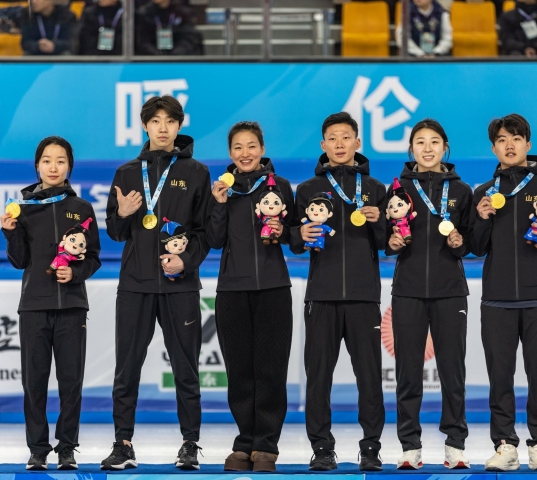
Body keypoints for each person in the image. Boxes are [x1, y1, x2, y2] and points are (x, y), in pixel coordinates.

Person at [101, 95, 211, 470]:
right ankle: (123, 443)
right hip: (135, 284)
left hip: (180, 285)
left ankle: (190, 444)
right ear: (145, 126)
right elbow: (115, 232)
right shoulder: (127, 173)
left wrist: (186, 261)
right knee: (127, 368)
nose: (162, 128)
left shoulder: (196, 172)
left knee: (186, 368)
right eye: (155, 121)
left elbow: (205, 232)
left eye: (170, 121)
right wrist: (122, 214)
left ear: (179, 126)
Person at [469, 113, 537, 471]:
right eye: (502, 140)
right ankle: (504, 445)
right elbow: (476, 247)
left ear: (528, 144)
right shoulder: (484, 193)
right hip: (496, 300)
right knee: (500, 377)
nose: (509, 145)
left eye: (516, 138)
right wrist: (481, 218)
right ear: (494, 148)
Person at [289, 112, 387, 472]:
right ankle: (321, 448)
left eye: (346, 137)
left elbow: (388, 243)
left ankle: (371, 447)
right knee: (318, 378)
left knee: (369, 377)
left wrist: (380, 223)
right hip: (322, 295)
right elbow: (294, 240)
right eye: (332, 138)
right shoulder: (306, 189)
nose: (340, 144)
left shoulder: (376, 189)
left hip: (363, 296)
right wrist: (300, 234)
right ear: (323, 145)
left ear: (358, 143)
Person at [0, 136, 101, 471]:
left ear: (69, 166)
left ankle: (67, 448)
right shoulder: (24, 209)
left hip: (72, 307)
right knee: (34, 382)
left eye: (60, 160)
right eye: (47, 160)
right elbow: (19, 261)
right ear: (37, 166)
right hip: (34, 306)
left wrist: (75, 274)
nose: (53, 167)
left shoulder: (82, 208)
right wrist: (10, 232)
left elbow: (93, 258)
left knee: (71, 383)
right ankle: (38, 449)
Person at [207, 121, 295, 473]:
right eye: (238, 147)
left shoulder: (280, 186)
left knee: (271, 369)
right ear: (230, 153)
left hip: (273, 288)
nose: (245, 153)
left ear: (262, 149)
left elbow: (295, 234)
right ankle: (245, 441)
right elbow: (214, 239)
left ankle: (266, 445)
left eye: (251, 146)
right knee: (240, 371)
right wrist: (218, 204)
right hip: (231, 288)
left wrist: (284, 230)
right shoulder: (222, 188)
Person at [386, 119, 472, 470]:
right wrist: (391, 243)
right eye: (420, 142)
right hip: (407, 290)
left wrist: (460, 242)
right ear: (411, 149)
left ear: (445, 147)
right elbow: (385, 235)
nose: (427, 148)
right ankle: (410, 446)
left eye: (434, 141)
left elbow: (471, 240)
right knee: (408, 372)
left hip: (450, 291)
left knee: (453, 372)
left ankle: (455, 444)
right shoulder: (396, 189)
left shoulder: (462, 191)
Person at [135, 0, 203, 56]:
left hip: (179, 58)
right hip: (153, 60)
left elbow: (189, 37)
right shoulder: (144, 14)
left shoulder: (182, 13)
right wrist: (158, 55)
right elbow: (143, 41)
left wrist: (176, 54)